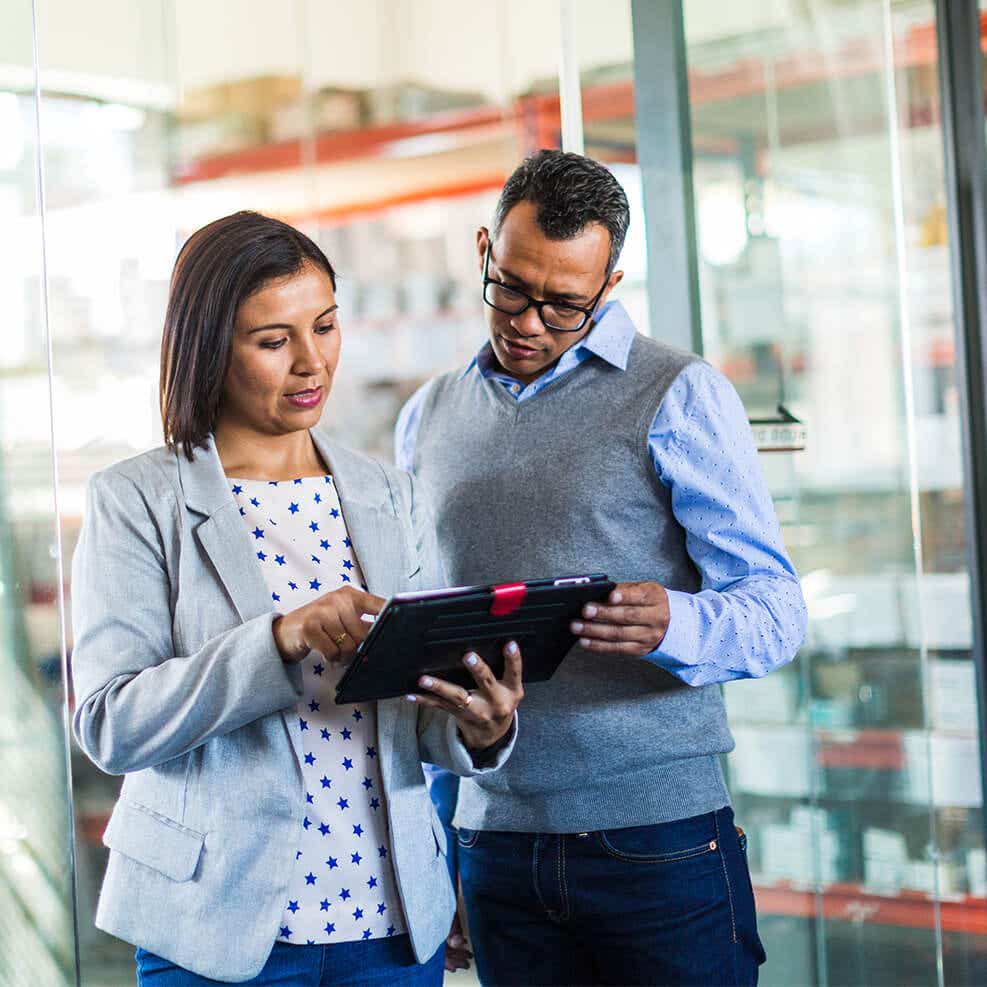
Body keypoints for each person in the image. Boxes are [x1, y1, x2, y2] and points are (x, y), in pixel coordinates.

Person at [70, 211, 524, 986]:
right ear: (211, 349)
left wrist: (477, 728)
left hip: (387, 920)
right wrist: (277, 639)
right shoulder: (136, 499)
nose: (312, 363)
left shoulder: (389, 493)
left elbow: (413, 716)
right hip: (218, 924)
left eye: (324, 326)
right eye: (274, 341)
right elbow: (111, 723)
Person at [395, 150, 808, 987]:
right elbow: (431, 648)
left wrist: (677, 623)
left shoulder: (677, 394)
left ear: (609, 284)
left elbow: (776, 609)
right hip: (492, 844)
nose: (529, 322)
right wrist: (439, 842)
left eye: (564, 304)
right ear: (484, 250)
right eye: (509, 287)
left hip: (658, 843)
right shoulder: (427, 415)